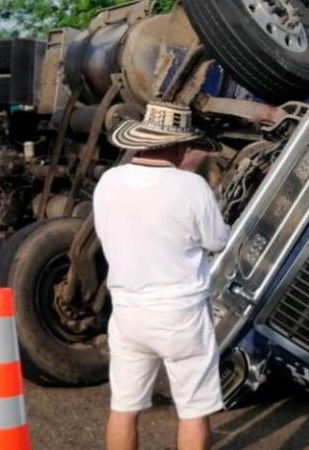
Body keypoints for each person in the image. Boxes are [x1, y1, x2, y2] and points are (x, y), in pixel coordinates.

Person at [94, 102, 230, 450]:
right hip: (180, 316)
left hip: (127, 313)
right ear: (178, 144)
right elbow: (217, 240)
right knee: (193, 413)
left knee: (123, 409)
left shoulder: (109, 181)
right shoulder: (191, 188)